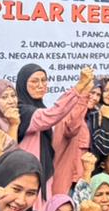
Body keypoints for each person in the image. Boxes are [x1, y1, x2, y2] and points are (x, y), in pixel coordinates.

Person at [17, 63, 95, 197]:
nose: (40, 85)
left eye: (44, 80)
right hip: (26, 177)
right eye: (34, 81)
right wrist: (79, 87)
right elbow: (53, 115)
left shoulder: (40, 107)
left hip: (44, 176)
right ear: (23, 84)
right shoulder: (21, 111)